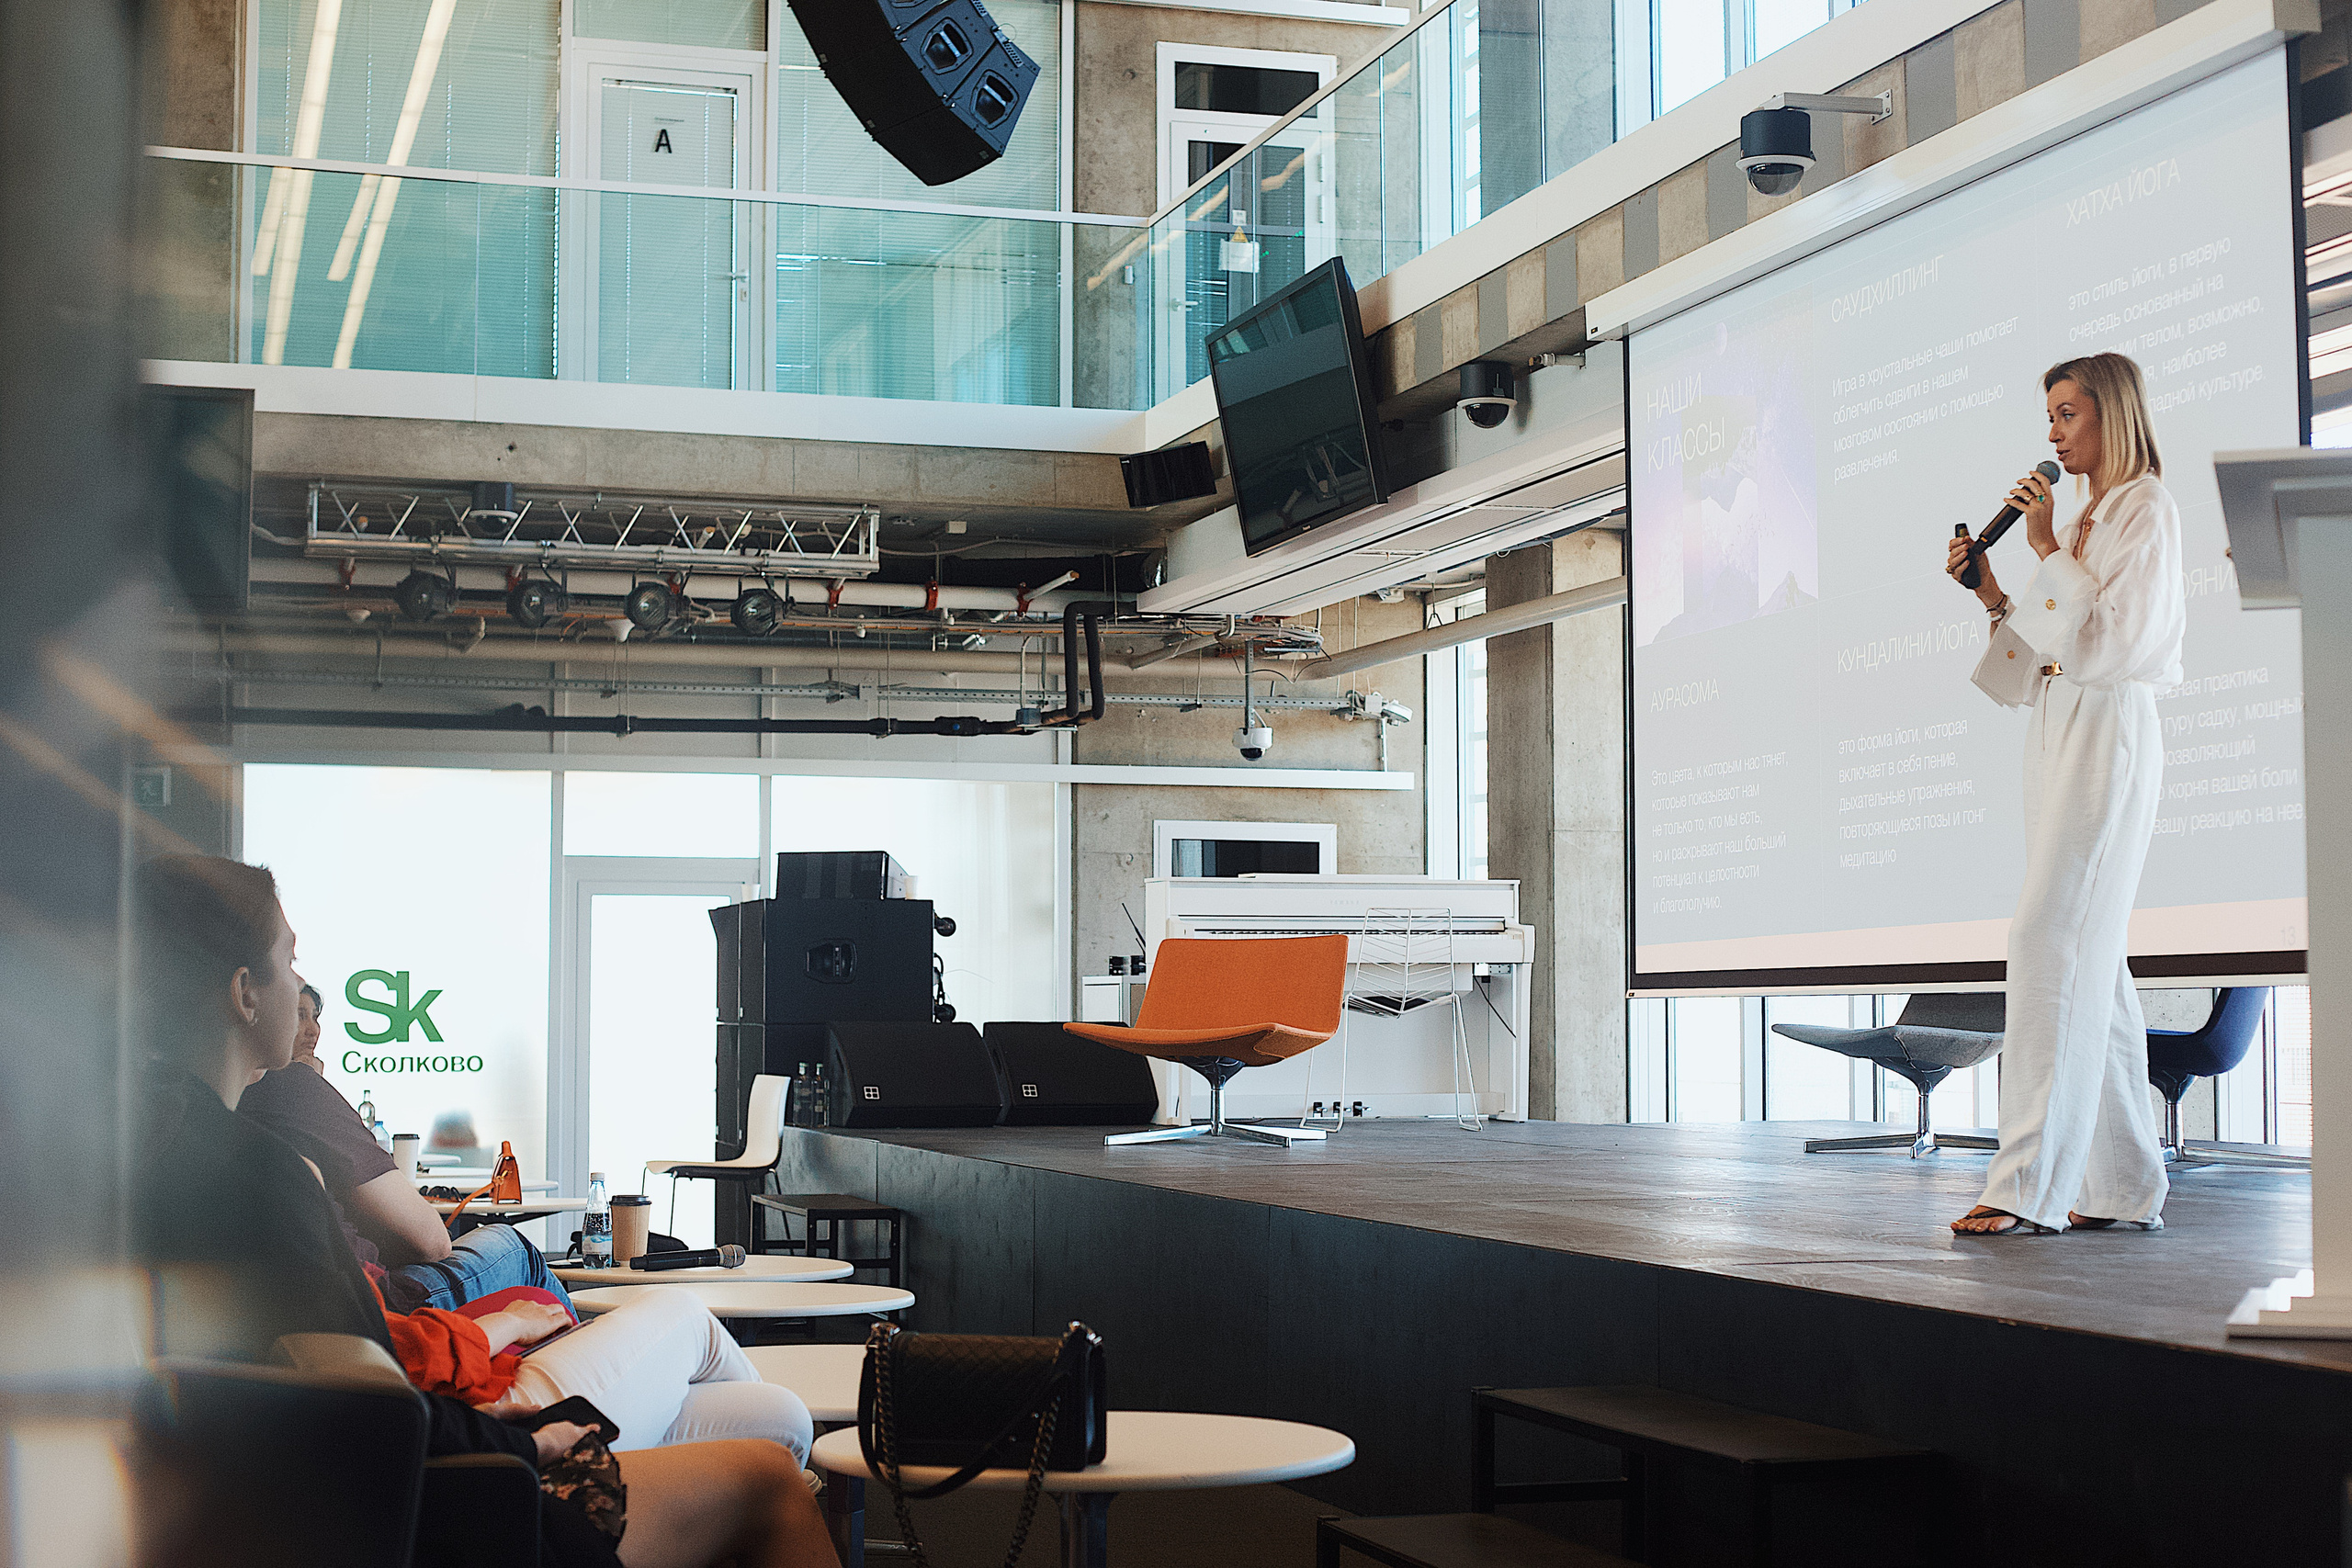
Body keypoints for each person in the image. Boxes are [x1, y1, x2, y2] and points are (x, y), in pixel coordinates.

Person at [129, 854, 834, 1568]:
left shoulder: (151, 1150)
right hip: (445, 1507)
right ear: (245, 993)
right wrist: (520, 1439)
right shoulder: (258, 1177)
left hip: (371, 1479)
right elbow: (367, 1405)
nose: (304, 988)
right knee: (772, 1482)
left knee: (768, 1417)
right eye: (290, 961)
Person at [1943, 351, 2178, 1236]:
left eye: (2067, 414)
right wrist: (1992, 587)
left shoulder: (2145, 507)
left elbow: (2114, 642)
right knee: (2096, 964)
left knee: (2048, 934)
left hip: (2110, 728)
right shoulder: (2085, 521)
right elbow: (2039, 654)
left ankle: (2024, 1185)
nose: (2051, 433)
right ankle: (2123, 1188)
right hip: (2059, 726)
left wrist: (2042, 547)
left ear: (2109, 413)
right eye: (2050, 416)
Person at [240, 979, 576, 1314]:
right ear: (246, 997)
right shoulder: (293, 1088)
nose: (312, 1029)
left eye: (315, 1016)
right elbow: (433, 1243)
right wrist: (309, 1082)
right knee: (514, 1247)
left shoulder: (217, 1105)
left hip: (291, 1310)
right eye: (299, 1014)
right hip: (377, 1305)